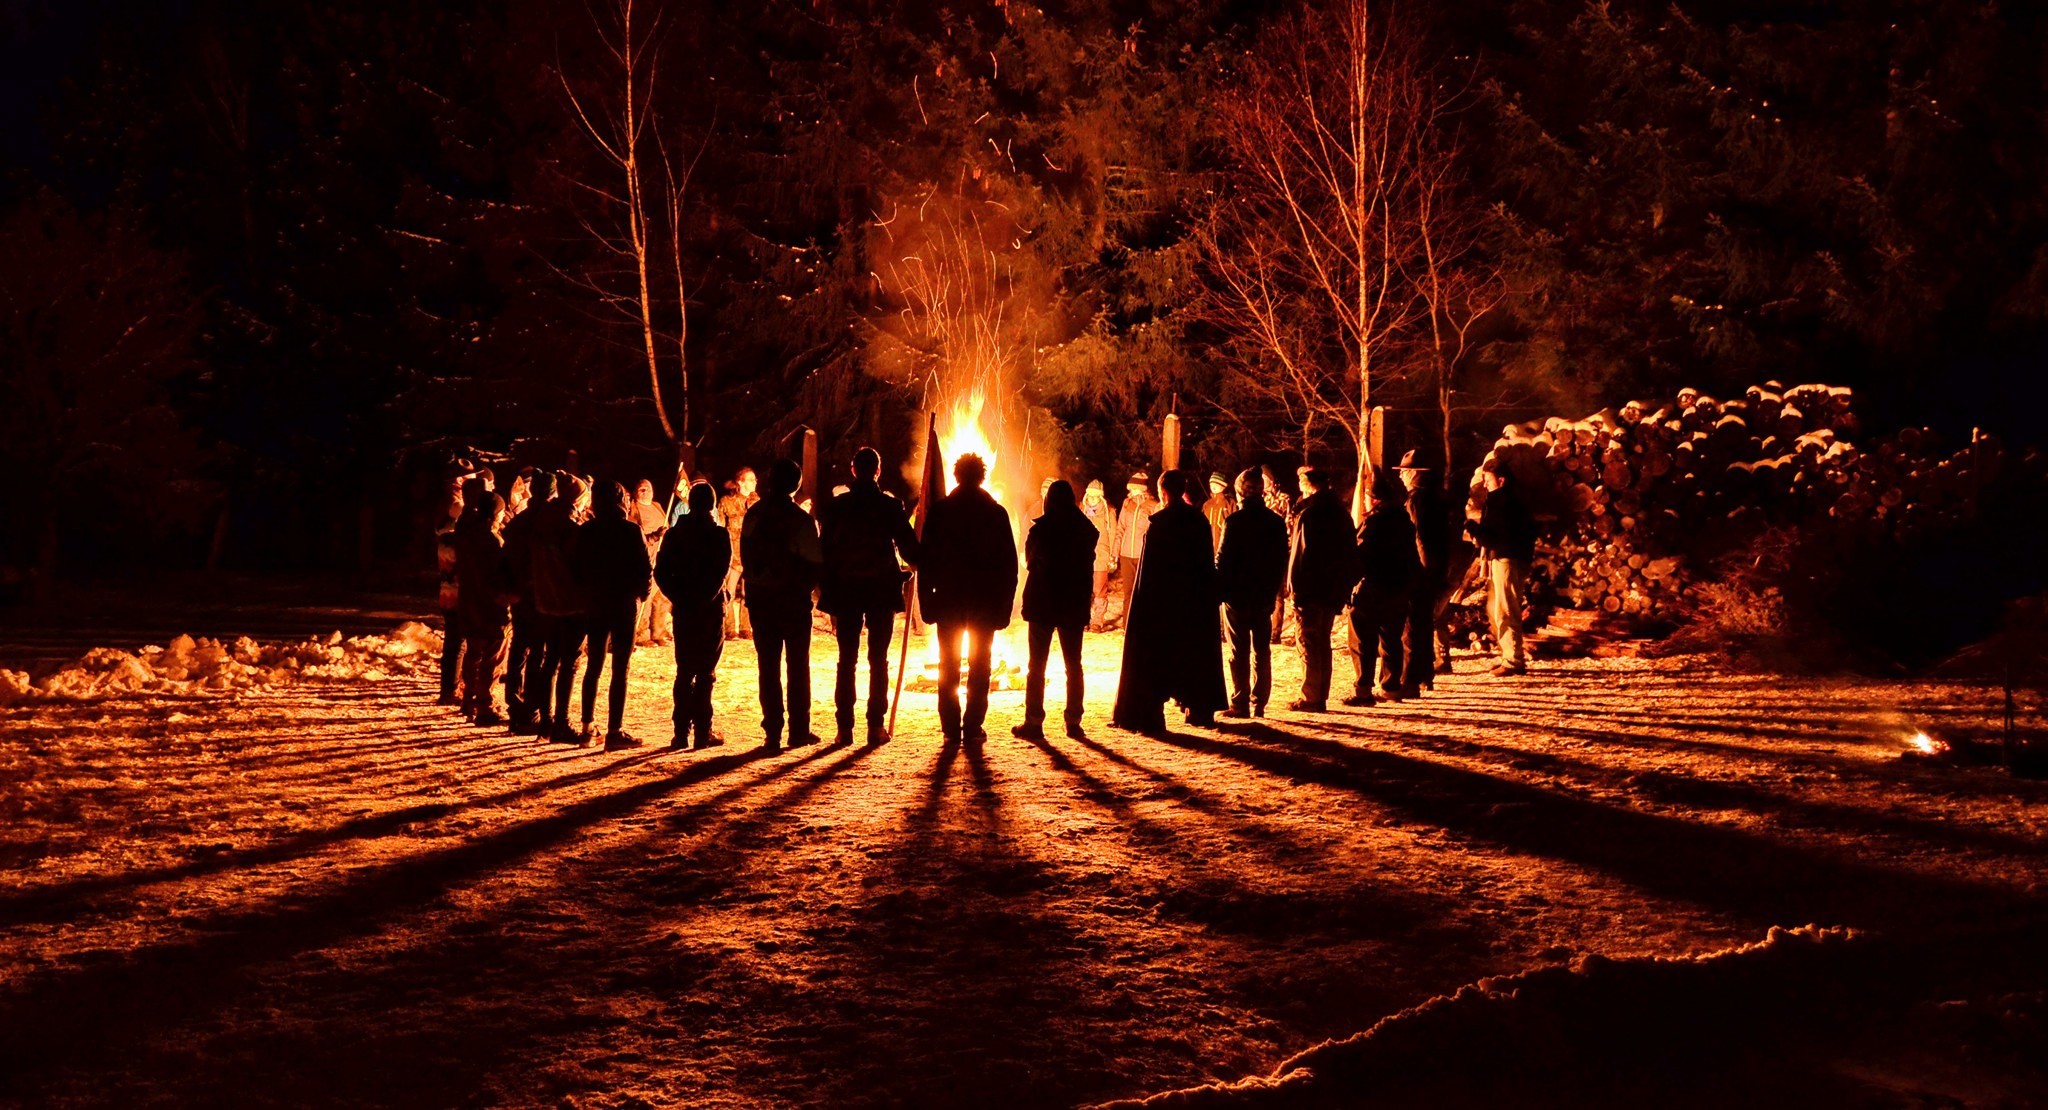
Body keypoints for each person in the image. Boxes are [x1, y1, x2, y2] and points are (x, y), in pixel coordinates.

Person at [1111, 470, 1227, 734]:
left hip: (1163, 605)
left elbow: (1150, 572)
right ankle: (1199, 709)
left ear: (1163, 492)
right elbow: (1204, 564)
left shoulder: (1160, 523)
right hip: (1192, 603)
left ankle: (1151, 715)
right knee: (1194, 655)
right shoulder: (1197, 520)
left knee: (1156, 659)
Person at [817, 447, 920, 746]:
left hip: (847, 589)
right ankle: (875, 726)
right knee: (878, 660)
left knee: (846, 660)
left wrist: (826, 584)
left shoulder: (838, 507)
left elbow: (824, 550)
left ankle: (844, 729)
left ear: (853, 470)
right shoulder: (890, 506)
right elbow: (908, 548)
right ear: (877, 471)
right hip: (879, 590)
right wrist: (918, 560)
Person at [918, 453, 1017, 746]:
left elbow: (926, 561)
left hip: (948, 599)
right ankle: (972, 726)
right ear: (982, 477)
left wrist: (926, 602)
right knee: (980, 665)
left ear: (957, 476)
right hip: (983, 602)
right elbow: (1008, 566)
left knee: (948, 664)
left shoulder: (940, 512)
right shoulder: (995, 513)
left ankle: (951, 726)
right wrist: (1005, 606)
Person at [742, 458, 823, 751]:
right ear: (796, 485)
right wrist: (804, 588)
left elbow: (746, 554)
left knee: (768, 666)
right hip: (792, 601)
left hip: (762, 599)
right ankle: (798, 730)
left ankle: (773, 731)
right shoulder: (801, 520)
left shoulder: (754, 514)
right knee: (798, 666)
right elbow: (814, 563)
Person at [1014, 479, 1096, 740]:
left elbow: (1029, 561)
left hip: (1043, 603)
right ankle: (1073, 721)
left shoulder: (1041, 530)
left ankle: (1034, 721)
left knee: (1037, 665)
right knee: (1074, 665)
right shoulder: (1085, 530)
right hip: (1072, 603)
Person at [654, 481, 731, 750]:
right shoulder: (718, 535)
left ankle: (680, 733)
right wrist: (703, 598)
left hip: (685, 609)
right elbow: (719, 573)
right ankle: (701, 731)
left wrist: (679, 596)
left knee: (685, 671)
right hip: (709, 611)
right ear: (711, 504)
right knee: (705, 672)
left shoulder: (675, 534)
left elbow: (661, 571)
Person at [575, 481, 653, 750]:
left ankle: (587, 728)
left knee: (594, 666)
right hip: (623, 604)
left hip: (595, 603)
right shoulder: (630, 530)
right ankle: (614, 731)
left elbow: (576, 568)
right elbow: (645, 568)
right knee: (620, 668)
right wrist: (642, 594)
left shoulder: (587, 531)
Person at [1286, 466, 1361, 712]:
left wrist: (1295, 588)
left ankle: (1311, 697)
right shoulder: (1341, 514)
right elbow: (1350, 553)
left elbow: (1300, 555)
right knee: (1322, 642)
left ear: (1308, 486)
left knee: (1308, 642)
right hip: (1331, 590)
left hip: (1310, 589)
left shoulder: (1309, 515)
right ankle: (1320, 694)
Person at [1216, 468, 1288, 718]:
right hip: (1263, 595)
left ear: (1240, 492)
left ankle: (1240, 702)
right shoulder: (1275, 522)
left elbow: (1223, 559)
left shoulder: (1234, 522)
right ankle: (1259, 703)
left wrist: (1219, 588)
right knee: (1261, 649)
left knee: (1239, 650)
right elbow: (1280, 560)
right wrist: (1273, 590)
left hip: (1237, 596)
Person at [1345, 469, 1420, 706]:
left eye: (1367, 497)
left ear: (1375, 499)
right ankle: (1391, 686)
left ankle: (1363, 690)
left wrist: (1350, 584)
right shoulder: (1404, 521)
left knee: (1362, 640)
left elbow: (1360, 556)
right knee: (1391, 638)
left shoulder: (1374, 523)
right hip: (1398, 588)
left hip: (1373, 587)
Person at [527, 471, 588, 743]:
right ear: (576, 499)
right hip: (570, 603)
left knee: (549, 661)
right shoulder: (571, 529)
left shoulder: (542, 522)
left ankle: (546, 720)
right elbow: (579, 567)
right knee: (568, 664)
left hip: (545, 602)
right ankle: (561, 722)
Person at [1467, 462, 1537, 676]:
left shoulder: (1504, 503)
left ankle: (1514, 660)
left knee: (1506, 609)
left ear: (1501, 480)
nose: (1485, 484)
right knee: (1498, 609)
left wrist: (1474, 529)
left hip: (1507, 559)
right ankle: (1509, 655)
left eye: (1488, 480)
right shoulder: (1502, 501)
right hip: (1506, 558)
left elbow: (1498, 537)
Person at [500, 469, 556, 733]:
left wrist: (512, 586)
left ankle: (515, 703)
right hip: (540, 594)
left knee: (520, 647)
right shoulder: (548, 522)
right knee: (537, 652)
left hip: (521, 593)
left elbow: (505, 557)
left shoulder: (520, 521)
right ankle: (530, 709)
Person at [1397, 450, 1454, 691]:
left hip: (1422, 570)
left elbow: (1419, 537)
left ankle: (1410, 679)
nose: (1401, 476)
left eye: (1404, 471)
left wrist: (1420, 570)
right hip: (1437, 568)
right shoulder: (1438, 498)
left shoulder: (1416, 500)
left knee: (1412, 625)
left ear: (1415, 473)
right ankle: (1425, 675)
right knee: (1425, 623)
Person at [455, 485, 511, 726]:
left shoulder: (466, 534)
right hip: (490, 604)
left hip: (469, 600)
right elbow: (497, 574)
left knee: (473, 652)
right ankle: (485, 705)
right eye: (501, 513)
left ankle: (468, 699)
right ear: (494, 514)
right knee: (491, 657)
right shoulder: (491, 540)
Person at [434, 472, 467, 706]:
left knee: (452, 643)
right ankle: (451, 689)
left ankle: (450, 686)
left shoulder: (444, 537)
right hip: (458, 594)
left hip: (447, 593)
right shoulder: (455, 540)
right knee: (457, 644)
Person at [1107, 472, 1152, 629]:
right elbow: (1120, 529)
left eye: (1134, 488)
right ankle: (1127, 626)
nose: (1131, 491)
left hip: (1142, 555)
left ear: (1142, 489)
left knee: (1142, 592)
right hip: (1126, 554)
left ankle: (1142, 626)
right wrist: (1115, 553)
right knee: (1128, 593)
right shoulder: (1127, 504)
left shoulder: (1152, 505)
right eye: (1130, 488)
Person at [719, 469, 758, 640]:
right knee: (729, 592)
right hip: (733, 555)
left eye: (755, 479)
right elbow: (721, 527)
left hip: (751, 555)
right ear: (741, 482)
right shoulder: (726, 502)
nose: (755, 482)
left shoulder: (757, 502)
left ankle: (745, 627)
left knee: (749, 592)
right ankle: (729, 628)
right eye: (750, 479)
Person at [1261, 465, 1293, 645]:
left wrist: (1284, 546)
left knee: (1278, 594)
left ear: (1271, 481)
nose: (1263, 482)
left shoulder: (1283, 499)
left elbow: (1288, 524)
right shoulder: (1259, 499)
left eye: (1265, 479)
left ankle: (1275, 632)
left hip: (1279, 550)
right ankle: (1263, 628)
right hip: (1262, 551)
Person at [1080, 480, 1117, 629]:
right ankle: (1083, 619)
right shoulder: (1081, 510)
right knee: (1083, 589)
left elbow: (1113, 534)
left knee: (1100, 590)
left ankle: (1097, 621)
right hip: (1083, 556)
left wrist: (1113, 555)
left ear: (1101, 497)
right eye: (1090, 496)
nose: (1092, 499)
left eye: (1095, 496)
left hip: (1101, 555)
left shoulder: (1109, 512)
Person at [1201, 473, 1234, 552]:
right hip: (1208, 545)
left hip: (1225, 544)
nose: (1213, 487)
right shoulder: (1207, 504)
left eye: (1216, 484)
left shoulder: (1230, 503)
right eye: (1211, 484)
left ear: (1223, 486)